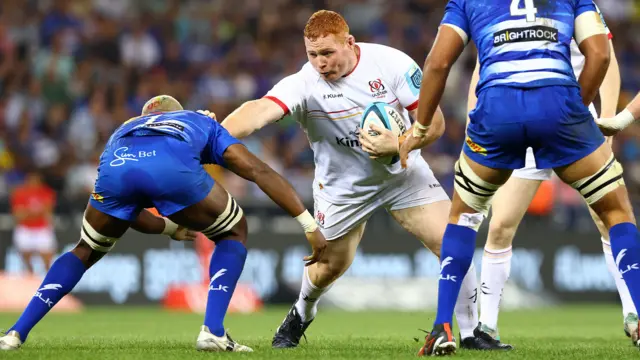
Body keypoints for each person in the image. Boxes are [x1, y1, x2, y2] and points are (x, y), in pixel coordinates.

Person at [220, 10, 504, 350]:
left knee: (452, 241)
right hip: (343, 188)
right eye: (312, 55)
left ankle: (471, 334)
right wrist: (215, 134)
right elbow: (259, 110)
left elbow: (436, 125)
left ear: (350, 43)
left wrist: (400, 143)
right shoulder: (304, 83)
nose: (320, 62)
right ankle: (301, 311)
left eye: (327, 53)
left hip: (402, 175)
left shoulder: (392, 64)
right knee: (329, 267)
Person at [399, 0, 640, 356]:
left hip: (501, 112)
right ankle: (488, 326)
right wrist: (580, 115)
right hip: (563, 109)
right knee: (613, 214)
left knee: (465, 216)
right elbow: (601, 55)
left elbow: (439, 62)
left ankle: (442, 325)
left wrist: (425, 128)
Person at [0, 95, 328, 352]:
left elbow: (129, 210)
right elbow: (259, 172)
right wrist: (308, 224)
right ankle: (213, 330)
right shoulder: (198, 120)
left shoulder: (124, 128)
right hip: (172, 167)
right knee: (234, 230)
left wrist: (169, 228)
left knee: (85, 249)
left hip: (118, 163)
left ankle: (16, 332)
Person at [466, 4, 638, 344]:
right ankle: (486, 328)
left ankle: (633, 313)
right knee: (500, 225)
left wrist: (607, 119)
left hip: (572, 115)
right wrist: (475, 114)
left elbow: (606, 57)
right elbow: (481, 64)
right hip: (516, 112)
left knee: (607, 217)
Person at [10, 171, 58, 274]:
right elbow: (18, 215)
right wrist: (36, 212)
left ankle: (50, 283)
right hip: (25, 228)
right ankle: (30, 278)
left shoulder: (47, 192)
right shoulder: (20, 192)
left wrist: (28, 212)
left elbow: (47, 211)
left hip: (42, 228)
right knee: (26, 258)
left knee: (47, 259)